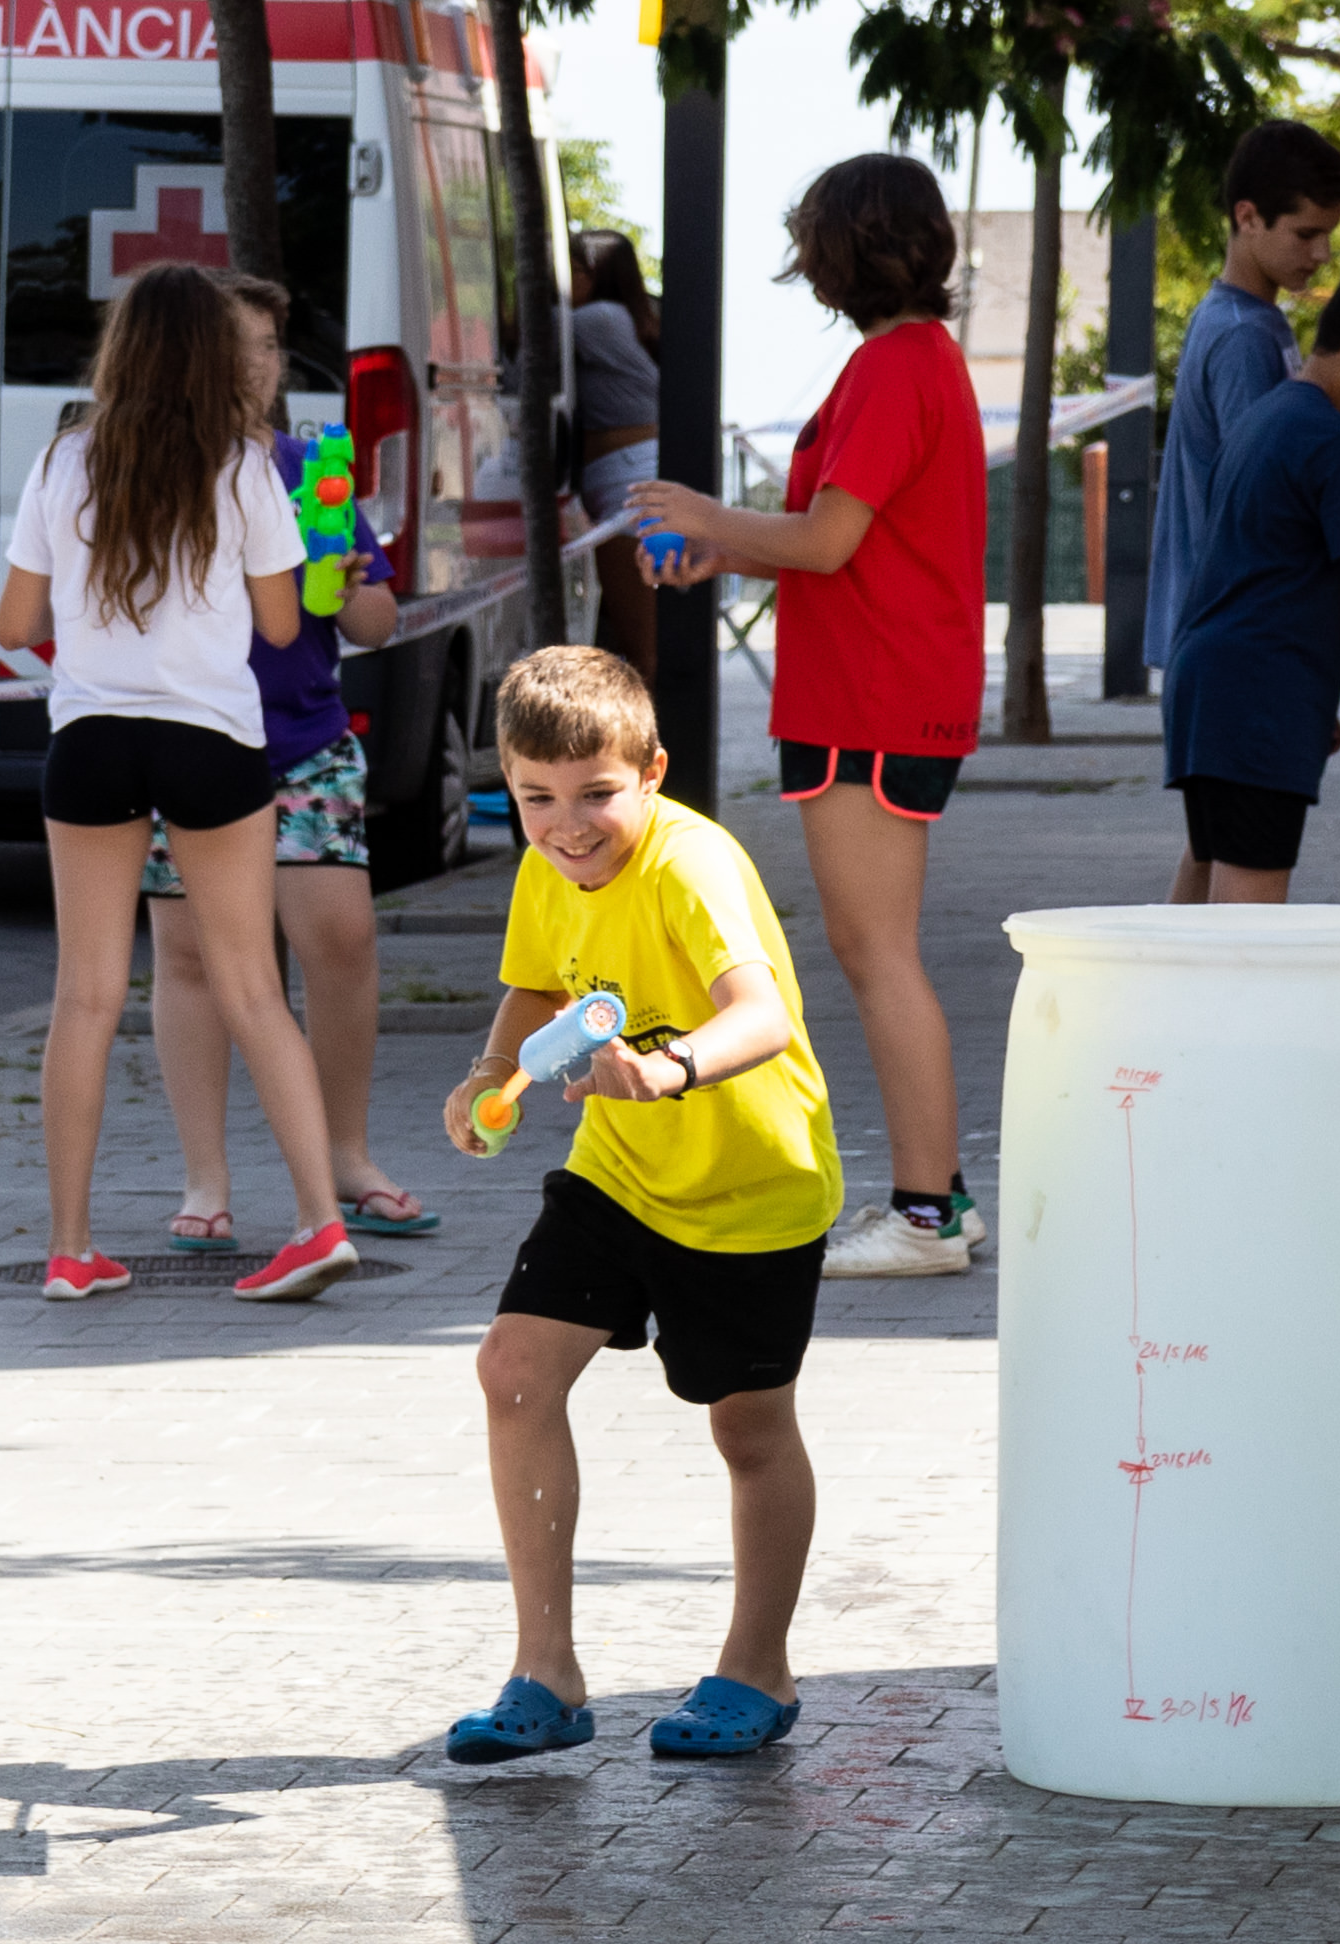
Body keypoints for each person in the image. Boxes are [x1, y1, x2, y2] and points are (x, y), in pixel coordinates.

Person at [436, 647, 843, 1764]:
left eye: (596, 794)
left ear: (653, 772)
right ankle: (546, 1674)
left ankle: (757, 1668)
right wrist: (490, 1073)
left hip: (751, 1185)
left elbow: (761, 1014)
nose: (568, 826)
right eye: (536, 798)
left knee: (748, 1428)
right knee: (513, 1370)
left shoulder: (690, 866)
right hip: (618, 1172)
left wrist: (667, 1071)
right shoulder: (549, 864)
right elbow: (539, 986)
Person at [625, 153, 988, 1281]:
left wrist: (704, 514)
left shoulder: (891, 367)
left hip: (871, 694)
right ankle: (939, 1198)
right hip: (881, 686)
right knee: (876, 950)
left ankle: (926, 1214)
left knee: (876, 953)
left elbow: (829, 541)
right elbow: (853, 543)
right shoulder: (916, 361)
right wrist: (726, 552)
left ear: (838, 254)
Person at [0, 262, 360, 1305]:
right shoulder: (245, 468)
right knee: (251, 985)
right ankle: (318, 1222)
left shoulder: (65, 460)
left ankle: (71, 1249)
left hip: (91, 738)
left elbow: (14, 625)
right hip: (212, 739)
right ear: (211, 356)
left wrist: (95, 623)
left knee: (86, 993)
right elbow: (282, 625)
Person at [144, 274, 428, 1247]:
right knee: (189, 957)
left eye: (270, 346)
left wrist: (344, 586)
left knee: (341, 939)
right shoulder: (155, 474)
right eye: (239, 345)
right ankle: (205, 1181)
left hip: (304, 741)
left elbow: (377, 621)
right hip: (182, 740)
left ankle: (347, 1156)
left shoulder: (312, 472)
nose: (258, 366)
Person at [1165, 263, 1340, 902]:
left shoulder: (1263, 419)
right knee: (1246, 924)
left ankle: (1155, 977)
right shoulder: (1337, 443)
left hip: (1207, 687)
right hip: (1258, 694)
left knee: (1204, 875)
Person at [1144, 120, 1340, 673]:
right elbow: (1265, 495)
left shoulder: (1243, 318)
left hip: (1224, 629)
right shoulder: (1243, 335)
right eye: (1305, 234)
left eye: (1328, 234)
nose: (1322, 253)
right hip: (1232, 635)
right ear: (1247, 217)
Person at [568, 230, 663, 682]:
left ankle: (651, 729)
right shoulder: (629, 316)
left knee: (641, 650)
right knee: (639, 643)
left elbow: (514, 326)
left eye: (569, 270)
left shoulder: (598, 318)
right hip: (632, 476)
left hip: (627, 484)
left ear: (594, 274)